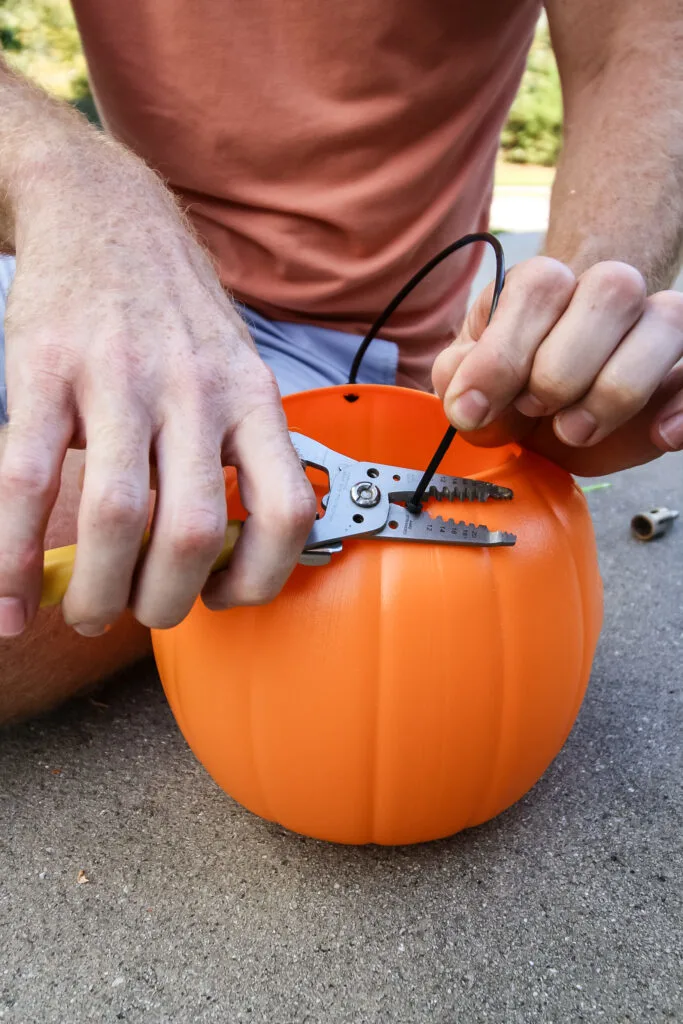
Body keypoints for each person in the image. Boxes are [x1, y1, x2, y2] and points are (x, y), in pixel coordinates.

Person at [1, 0, 682, 723]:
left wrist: (557, 338)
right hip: (77, 256)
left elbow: (638, 37)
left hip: (320, 343)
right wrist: (67, 178)